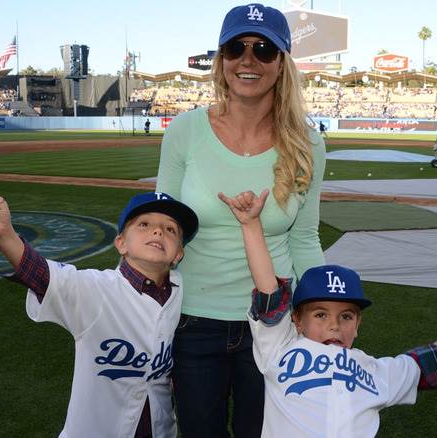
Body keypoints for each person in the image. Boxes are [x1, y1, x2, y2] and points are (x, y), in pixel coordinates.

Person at [155, 3, 326, 437]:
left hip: (274, 324)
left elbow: (304, 239)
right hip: (193, 321)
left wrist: (324, 312)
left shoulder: (308, 144)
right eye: (236, 48)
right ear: (221, 61)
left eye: (264, 49)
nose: (248, 60)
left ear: (282, 63)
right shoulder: (185, 131)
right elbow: (161, 228)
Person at [219, 189, 437, 437]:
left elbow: (415, 367)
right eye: (321, 314)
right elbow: (268, 291)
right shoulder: (280, 348)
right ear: (296, 320)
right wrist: (251, 225)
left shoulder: (371, 368)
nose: (335, 326)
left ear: (358, 323)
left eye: (346, 316)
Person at [0, 179, 198, 438]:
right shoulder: (95, 289)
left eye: (170, 229)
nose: (158, 232)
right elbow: (42, 275)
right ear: (121, 243)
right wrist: (6, 235)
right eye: (144, 224)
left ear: (178, 254)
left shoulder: (178, 291)